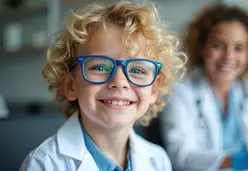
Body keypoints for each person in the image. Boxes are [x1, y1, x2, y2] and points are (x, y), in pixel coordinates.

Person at [19, 1, 187, 171]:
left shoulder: (158, 160)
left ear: (153, 89)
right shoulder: (44, 164)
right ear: (71, 85)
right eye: (100, 67)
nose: (119, 81)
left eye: (137, 70)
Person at [161, 3, 248, 171]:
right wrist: (238, 161)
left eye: (238, 48)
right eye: (218, 45)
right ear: (201, 48)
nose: (229, 56)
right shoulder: (181, 94)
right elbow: (180, 155)